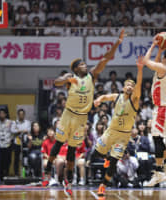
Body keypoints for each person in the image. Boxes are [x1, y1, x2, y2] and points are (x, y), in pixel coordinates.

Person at [43, 29, 125, 197]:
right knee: (58, 144)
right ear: (75, 68)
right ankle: (46, 170)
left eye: (84, 64)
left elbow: (105, 59)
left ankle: (69, 181)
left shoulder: (92, 76)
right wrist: (66, 79)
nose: (84, 65)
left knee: (72, 149)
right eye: (81, 64)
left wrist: (117, 42)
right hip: (68, 115)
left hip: (81, 118)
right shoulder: (70, 77)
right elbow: (57, 82)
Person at [89, 57, 143, 198]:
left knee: (113, 164)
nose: (130, 87)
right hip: (110, 132)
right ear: (124, 87)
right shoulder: (117, 96)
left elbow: (139, 85)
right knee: (95, 155)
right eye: (128, 85)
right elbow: (106, 96)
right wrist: (99, 99)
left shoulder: (134, 101)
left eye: (132, 85)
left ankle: (103, 186)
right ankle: (106, 156)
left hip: (123, 136)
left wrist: (140, 69)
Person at [141, 38, 166, 187]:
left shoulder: (164, 69)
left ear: (165, 59)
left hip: (163, 108)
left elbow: (146, 61)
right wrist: (160, 49)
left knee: (157, 138)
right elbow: (156, 62)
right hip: (165, 107)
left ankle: (159, 171)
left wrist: (153, 45)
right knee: (159, 138)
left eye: (163, 56)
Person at [0, 108, 12, 181]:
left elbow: (13, 132)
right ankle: (0, 177)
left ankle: (6, 176)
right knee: (0, 161)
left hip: (7, 144)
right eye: (0, 113)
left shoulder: (10, 122)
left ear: (5, 114)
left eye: (3, 113)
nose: (1, 115)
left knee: (7, 161)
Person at [11, 109, 31, 177]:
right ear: (18, 115)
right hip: (17, 142)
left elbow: (28, 130)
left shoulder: (27, 122)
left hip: (25, 142)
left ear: (24, 115)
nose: (21, 115)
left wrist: (18, 131)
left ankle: (25, 174)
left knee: (25, 158)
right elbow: (12, 130)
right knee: (16, 158)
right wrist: (22, 131)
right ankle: (16, 173)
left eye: (22, 114)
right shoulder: (14, 122)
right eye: (20, 114)